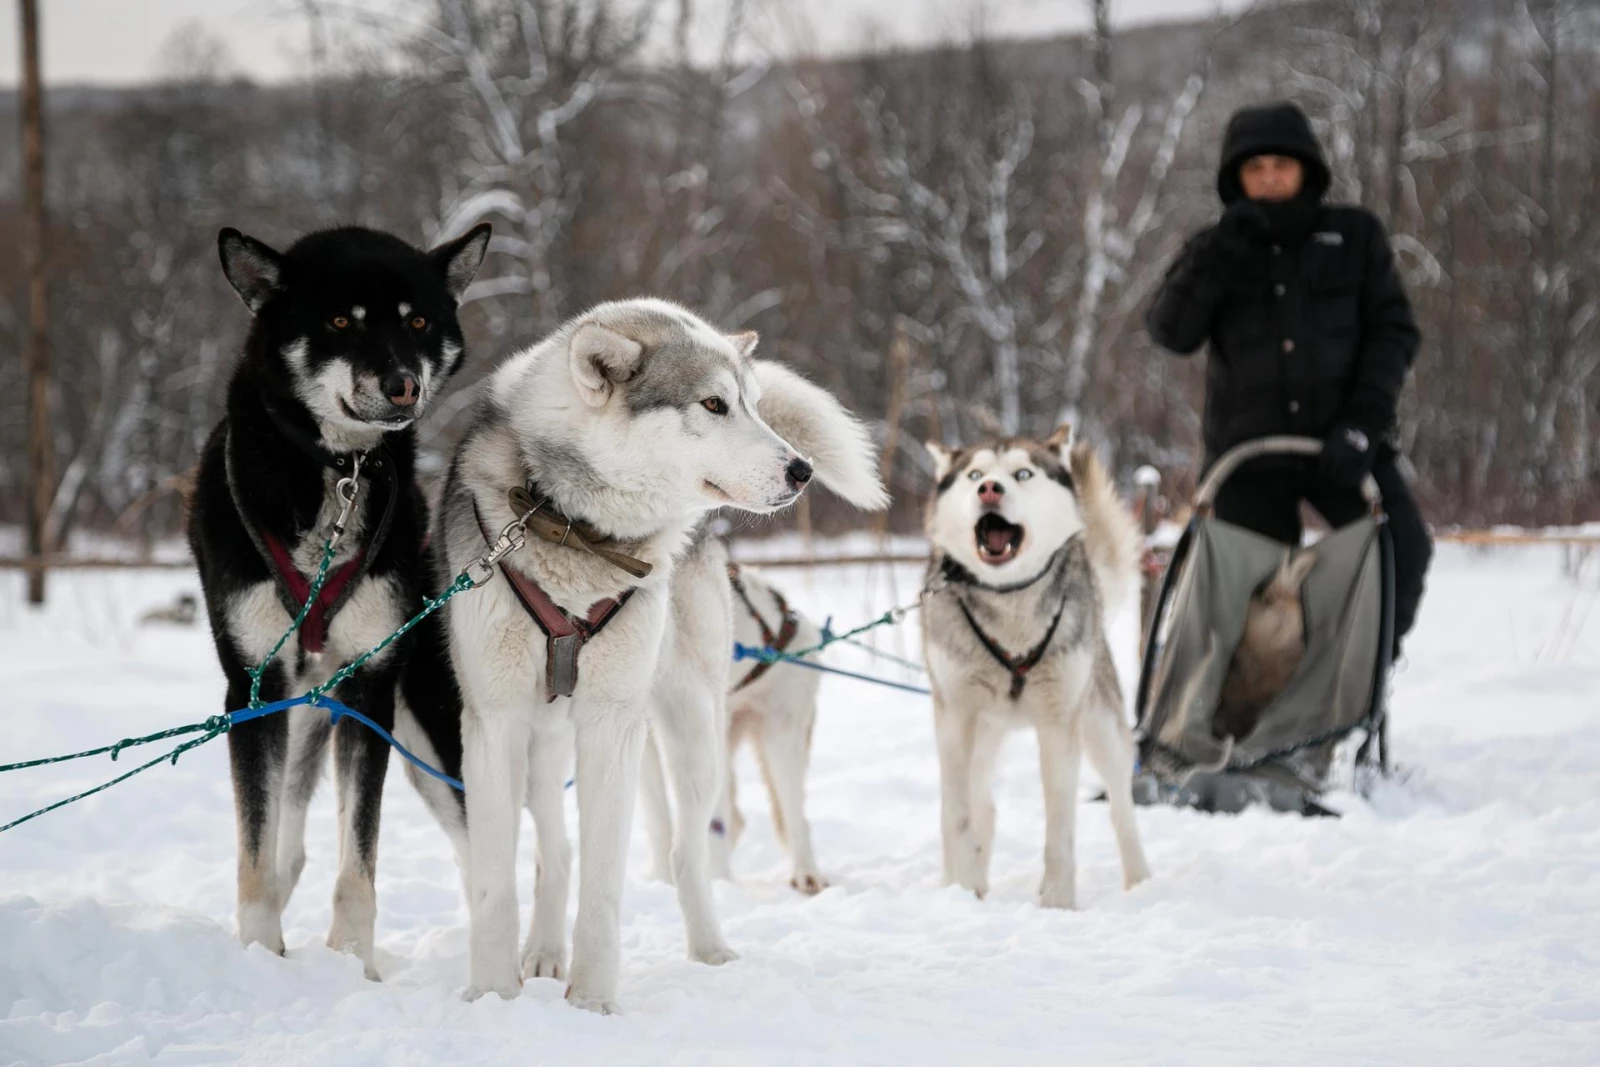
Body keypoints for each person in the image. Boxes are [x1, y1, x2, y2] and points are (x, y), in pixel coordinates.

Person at [1145, 101, 1431, 653]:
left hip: (1343, 441)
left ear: (1306, 168)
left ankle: (1358, 678)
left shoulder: (1354, 237)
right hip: (1248, 454)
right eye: (1255, 167)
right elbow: (1170, 331)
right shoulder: (1215, 247)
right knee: (1250, 596)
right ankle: (1267, 714)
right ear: (1237, 178)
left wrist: (1362, 424)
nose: (1270, 176)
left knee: (1404, 548)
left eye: (1281, 163)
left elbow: (1394, 333)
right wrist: (1222, 249)